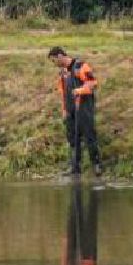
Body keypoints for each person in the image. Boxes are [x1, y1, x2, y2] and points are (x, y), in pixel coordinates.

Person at [48, 46, 101, 176]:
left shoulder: (81, 66)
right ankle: (75, 168)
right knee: (73, 139)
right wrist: (64, 109)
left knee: (89, 136)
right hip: (71, 110)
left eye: (54, 60)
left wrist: (80, 90)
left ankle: (96, 165)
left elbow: (92, 83)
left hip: (84, 107)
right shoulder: (63, 73)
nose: (54, 64)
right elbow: (63, 93)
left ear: (60, 56)